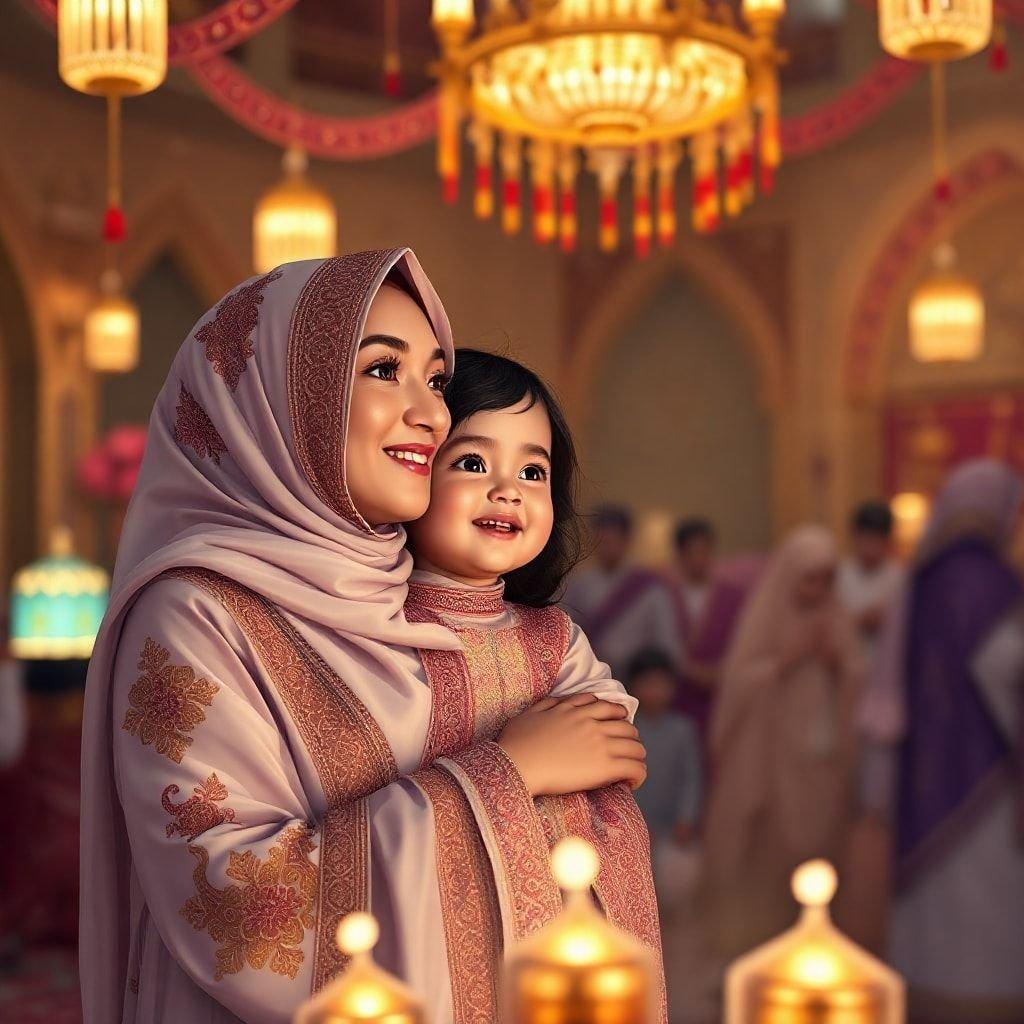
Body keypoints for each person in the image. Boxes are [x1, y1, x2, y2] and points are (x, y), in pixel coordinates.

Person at [77, 249, 628, 1024]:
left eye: (435, 380)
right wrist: (508, 775)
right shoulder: (196, 614)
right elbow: (239, 920)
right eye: (382, 371)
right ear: (279, 402)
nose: (430, 413)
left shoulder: (425, 600)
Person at [405, 349, 665, 1019]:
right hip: (453, 924)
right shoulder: (383, 628)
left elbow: (612, 735)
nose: (507, 489)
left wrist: (588, 744)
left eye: (532, 471)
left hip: (568, 914)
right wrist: (534, 764)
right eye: (471, 463)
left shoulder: (552, 637)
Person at [860, 459, 1024, 1022]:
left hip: (924, 769)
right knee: (988, 899)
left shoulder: (922, 579)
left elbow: (887, 689)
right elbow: (1007, 669)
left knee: (932, 903)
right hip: (990, 775)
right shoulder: (995, 582)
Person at [702, 525, 863, 957]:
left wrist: (838, 664)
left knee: (820, 844)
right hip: (773, 756)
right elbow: (739, 682)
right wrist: (787, 660)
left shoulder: (837, 614)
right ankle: (763, 936)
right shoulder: (767, 614)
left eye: (827, 579)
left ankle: (816, 934)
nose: (820, 589)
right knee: (770, 848)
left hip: (822, 757)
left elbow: (856, 677)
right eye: (811, 579)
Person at [563, 505, 683, 680]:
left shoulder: (650, 587)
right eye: (602, 541)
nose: (607, 547)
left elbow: (666, 639)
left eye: (613, 540)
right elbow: (568, 632)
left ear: (627, 541)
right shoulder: (579, 585)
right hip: (592, 677)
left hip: (639, 679)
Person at [662, 518, 746, 743]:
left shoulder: (734, 596)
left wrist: (723, 670)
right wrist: (687, 669)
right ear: (679, 555)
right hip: (677, 692)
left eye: (705, 552)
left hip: (723, 688)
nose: (700, 559)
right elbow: (659, 640)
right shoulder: (664, 595)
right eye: (693, 552)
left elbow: (744, 640)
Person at [837, 501, 903, 667]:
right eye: (867, 538)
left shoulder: (900, 578)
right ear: (855, 536)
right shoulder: (838, 575)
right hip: (846, 665)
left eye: (878, 539)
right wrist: (859, 621)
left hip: (887, 664)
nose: (871, 546)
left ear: (888, 540)